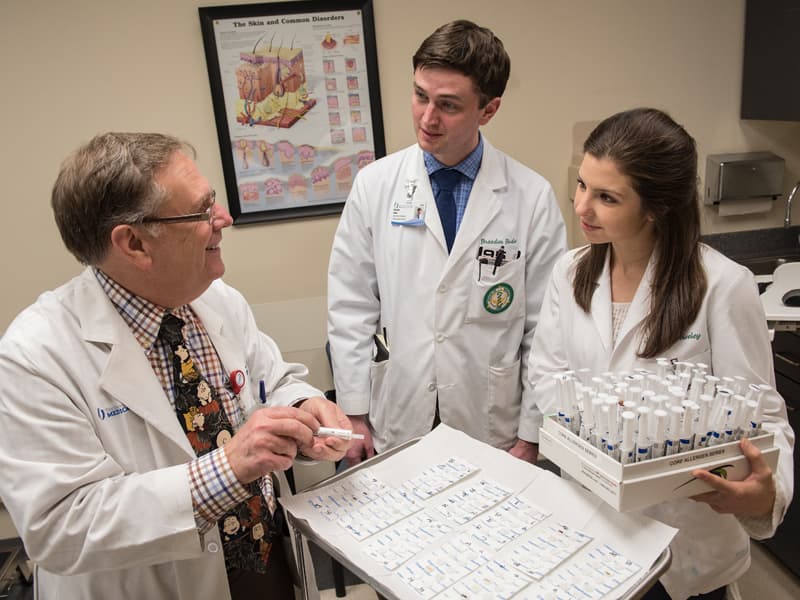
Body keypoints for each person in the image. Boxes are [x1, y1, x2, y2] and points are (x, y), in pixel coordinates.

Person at [0, 133, 352, 599]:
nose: (224, 218)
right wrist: (228, 469)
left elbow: (270, 380)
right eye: (203, 210)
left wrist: (304, 408)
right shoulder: (35, 355)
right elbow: (61, 526)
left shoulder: (216, 300)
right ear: (134, 244)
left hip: (263, 564)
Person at [525, 108, 794, 599]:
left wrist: (764, 494)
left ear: (657, 207)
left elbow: (766, 419)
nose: (582, 207)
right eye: (583, 185)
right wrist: (606, 420)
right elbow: (547, 376)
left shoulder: (723, 286)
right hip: (588, 530)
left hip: (684, 544)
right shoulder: (570, 273)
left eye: (607, 197)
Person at [327, 20, 567, 465]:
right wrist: (354, 413)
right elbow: (351, 307)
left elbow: (545, 330)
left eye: (448, 105)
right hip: (397, 416)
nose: (427, 117)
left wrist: (532, 434)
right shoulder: (375, 185)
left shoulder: (531, 198)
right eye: (420, 95)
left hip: (493, 423)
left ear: (488, 110)